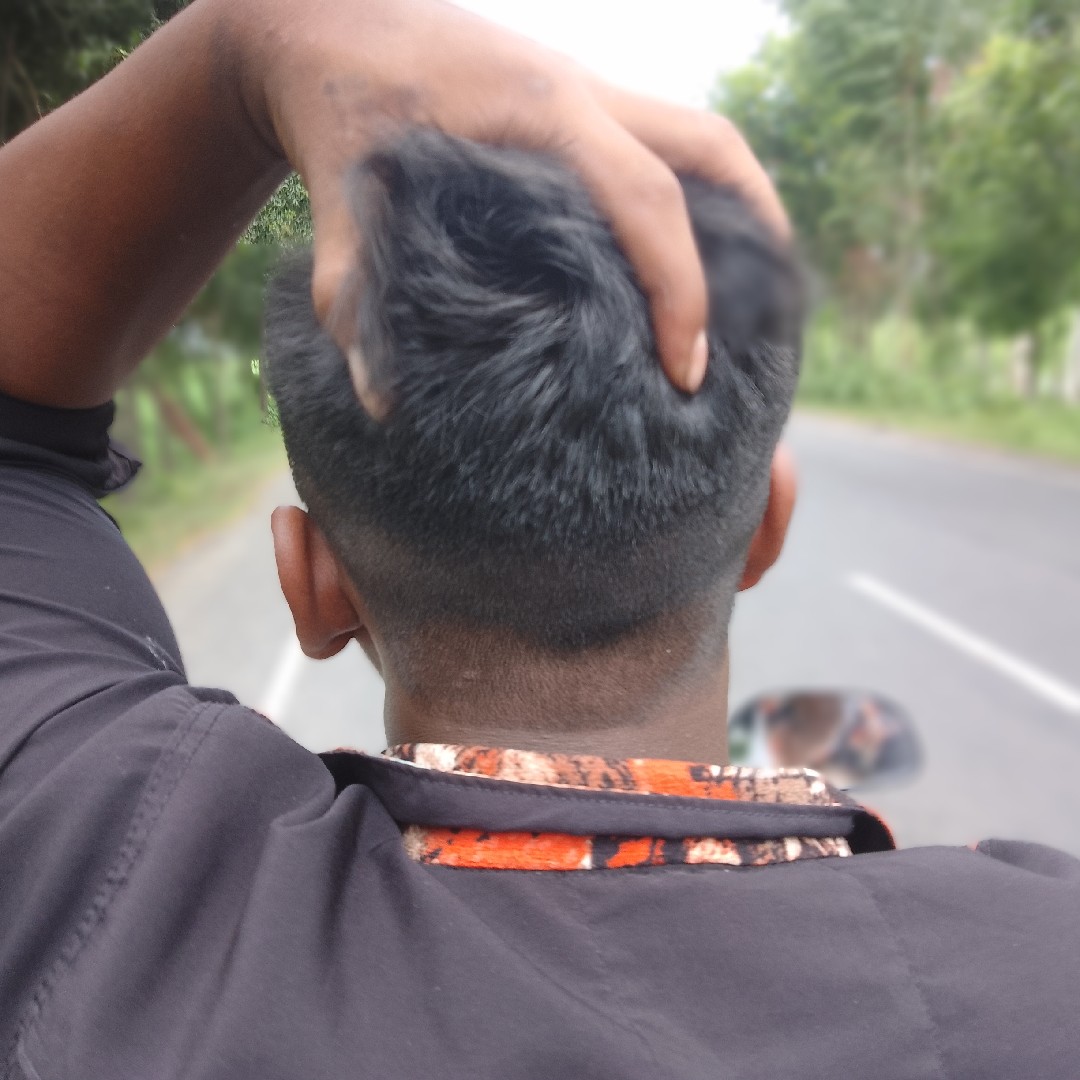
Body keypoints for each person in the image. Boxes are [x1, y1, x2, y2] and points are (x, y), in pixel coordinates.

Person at [0, 3, 1077, 1080]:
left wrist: (248, 43)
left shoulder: (113, 894)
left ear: (312, 585)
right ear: (767, 526)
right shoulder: (1040, 973)